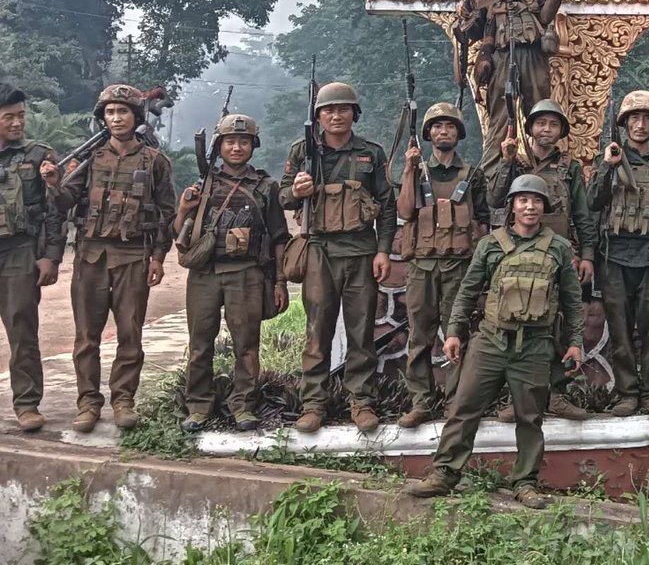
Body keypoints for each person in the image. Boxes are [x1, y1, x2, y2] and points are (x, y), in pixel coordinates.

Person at [406, 174, 583, 509]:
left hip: (534, 344)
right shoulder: (491, 244)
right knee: (464, 407)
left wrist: (574, 342)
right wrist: (455, 331)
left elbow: (573, 301)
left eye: (536, 201)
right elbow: (468, 290)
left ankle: (526, 482)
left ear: (544, 207)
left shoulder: (559, 247)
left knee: (530, 418)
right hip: (490, 340)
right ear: (512, 206)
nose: (530, 207)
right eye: (523, 200)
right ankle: (444, 473)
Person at [41, 84, 175, 433]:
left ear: (136, 117)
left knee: (130, 333)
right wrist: (55, 183)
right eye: (110, 112)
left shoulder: (154, 161)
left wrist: (159, 257)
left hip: (133, 255)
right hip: (90, 256)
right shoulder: (87, 159)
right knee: (87, 336)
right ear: (103, 117)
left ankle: (123, 400)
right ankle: (88, 402)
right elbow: (64, 203)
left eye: (123, 111)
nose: (116, 118)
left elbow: (166, 213)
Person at [279, 82, 395, 433]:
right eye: (328, 110)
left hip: (360, 252)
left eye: (343, 109)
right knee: (317, 331)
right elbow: (282, 197)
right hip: (320, 252)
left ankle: (361, 401)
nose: (336, 115)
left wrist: (384, 250)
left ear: (354, 114)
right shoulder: (303, 152)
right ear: (318, 117)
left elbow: (387, 205)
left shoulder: (371, 154)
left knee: (361, 332)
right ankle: (314, 403)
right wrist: (296, 191)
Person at [174, 114, 290, 432]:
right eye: (230, 141)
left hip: (247, 274)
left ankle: (244, 405)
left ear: (253, 145)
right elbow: (179, 232)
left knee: (247, 344)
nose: (236, 147)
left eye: (243, 141)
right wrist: (185, 207)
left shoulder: (266, 187)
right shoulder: (203, 184)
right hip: (205, 275)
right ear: (219, 146)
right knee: (200, 344)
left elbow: (280, 238)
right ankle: (198, 406)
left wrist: (279, 281)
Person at [488, 98, 596, 421]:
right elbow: (493, 199)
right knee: (516, 321)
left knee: (559, 323)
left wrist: (586, 253)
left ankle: (558, 394)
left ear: (561, 130)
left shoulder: (569, 167)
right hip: (517, 252)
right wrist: (506, 163)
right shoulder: (514, 161)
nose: (546, 129)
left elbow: (582, 214)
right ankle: (517, 397)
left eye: (552, 124)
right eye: (540, 123)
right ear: (530, 128)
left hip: (559, 253)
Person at [586, 90, 649, 419]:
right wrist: (606, 165)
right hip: (614, 256)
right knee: (620, 329)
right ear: (624, 124)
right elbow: (592, 203)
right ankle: (627, 392)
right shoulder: (611, 159)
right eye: (634, 119)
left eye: (646, 119)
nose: (640, 125)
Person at [394, 103, 489, 428]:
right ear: (428, 134)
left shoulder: (472, 174)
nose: (443, 131)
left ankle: (455, 403)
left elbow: (484, 223)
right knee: (419, 337)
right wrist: (408, 169)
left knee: (457, 333)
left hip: (459, 267)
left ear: (459, 133)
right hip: (422, 266)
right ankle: (421, 402)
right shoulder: (417, 171)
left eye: (449, 126)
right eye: (436, 126)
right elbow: (405, 213)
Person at [455, 0, 579, 174]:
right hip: (501, 58)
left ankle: (545, 171)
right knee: (499, 119)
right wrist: (465, 14)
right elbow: (475, 33)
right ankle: (492, 176)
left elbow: (545, 17)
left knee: (540, 113)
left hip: (533, 56)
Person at [0, 82, 65, 432]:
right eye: (8, 117)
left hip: (19, 251)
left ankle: (27, 405)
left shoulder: (39, 155)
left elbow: (54, 211)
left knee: (22, 329)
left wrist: (50, 257)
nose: (17, 123)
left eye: (21, 116)